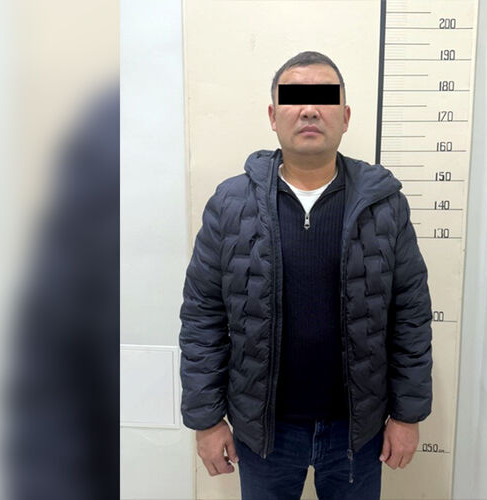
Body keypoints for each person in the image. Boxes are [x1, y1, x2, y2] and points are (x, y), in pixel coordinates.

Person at [178, 51, 433, 499]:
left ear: (345, 117)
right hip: (264, 433)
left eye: (325, 99)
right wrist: (207, 420)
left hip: (357, 431)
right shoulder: (230, 205)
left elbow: (410, 316)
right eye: (295, 99)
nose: (310, 110)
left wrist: (407, 415)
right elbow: (203, 318)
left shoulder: (384, 205)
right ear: (273, 116)